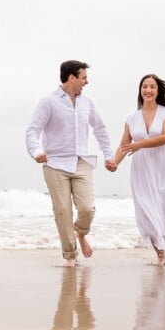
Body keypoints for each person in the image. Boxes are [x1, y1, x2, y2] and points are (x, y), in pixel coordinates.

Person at [25, 60, 117, 267]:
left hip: (81, 162)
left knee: (87, 209)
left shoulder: (87, 103)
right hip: (55, 163)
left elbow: (100, 129)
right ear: (71, 78)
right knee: (63, 211)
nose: (87, 81)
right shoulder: (48, 102)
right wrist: (36, 151)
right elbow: (32, 130)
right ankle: (70, 257)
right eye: (84, 77)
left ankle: (81, 233)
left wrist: (108, 155)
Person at [113, 74, 165, 266]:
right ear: (140, 91)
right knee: (148, 210)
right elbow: (125, 145)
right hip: (141, 169)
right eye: (144, 87)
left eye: (152, 87)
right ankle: (161, 254)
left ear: (158, 91)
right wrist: (114, 162)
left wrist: (139, 144)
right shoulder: (132, 118)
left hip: (164, 165)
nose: (148, 90)